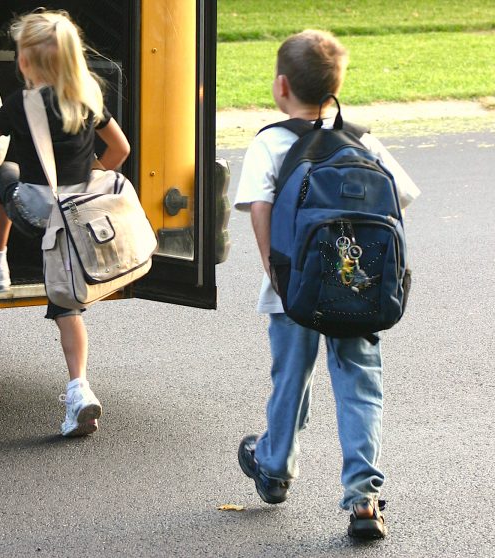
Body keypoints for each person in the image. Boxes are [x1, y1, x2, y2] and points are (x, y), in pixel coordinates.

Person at [233, 29, 420, 539]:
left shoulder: (271, 142)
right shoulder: (363, 140)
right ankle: (364, 499)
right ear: (337, 83)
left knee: (290, 380)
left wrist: (280, 277)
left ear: (281, 86)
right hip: (357, 287)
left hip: (294, 288)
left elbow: (261, 214)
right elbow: (400, 199)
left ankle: (273, 468)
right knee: (359, 385)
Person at [0, 10, 130, 437]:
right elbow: (121, 149)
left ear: (24, 62)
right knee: (67, 306)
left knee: (3, 173)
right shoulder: (89, 98)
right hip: (77, 218)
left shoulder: (23, 103)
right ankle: (79, 390)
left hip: (37, 213)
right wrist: (92, 175)